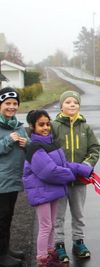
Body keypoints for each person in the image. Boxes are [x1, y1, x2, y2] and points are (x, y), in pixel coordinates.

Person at [22, 110, 93, 267]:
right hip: (41, 192)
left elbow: (63, 165)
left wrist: (83, 169)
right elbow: (49, 172)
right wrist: (71, 175)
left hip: (51, 191)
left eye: (48, 124)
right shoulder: (35, 147)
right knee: (46, 226)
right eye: (41, 125)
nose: (46, 127)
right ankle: (42, 259)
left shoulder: (50, 143)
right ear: (32, 126)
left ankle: (51, 253)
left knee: (52, 224)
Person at [52, 91, 100, 263]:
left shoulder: (85, 127)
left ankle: (78, 242)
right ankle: (58, 245)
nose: (72, 105)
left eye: (75, 102)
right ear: (61, 106)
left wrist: (87, 165)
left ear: (79, 106)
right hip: (59, 181)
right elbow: (47, 150)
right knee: (58, 215)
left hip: (79, 181)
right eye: (68, 102)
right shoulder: (54, 126)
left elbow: (94, 148)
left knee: (78, 214)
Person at [0, 87, 28, 267]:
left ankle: (6, 250)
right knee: (1, 220)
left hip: (14, 181)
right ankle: (1, 257)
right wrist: (9, 140)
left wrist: (28, 143)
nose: (11, 107)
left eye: (15, 103)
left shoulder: (19, 126)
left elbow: (29, 149)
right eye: (7, 103)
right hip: (1, 183)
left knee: (8, 217)